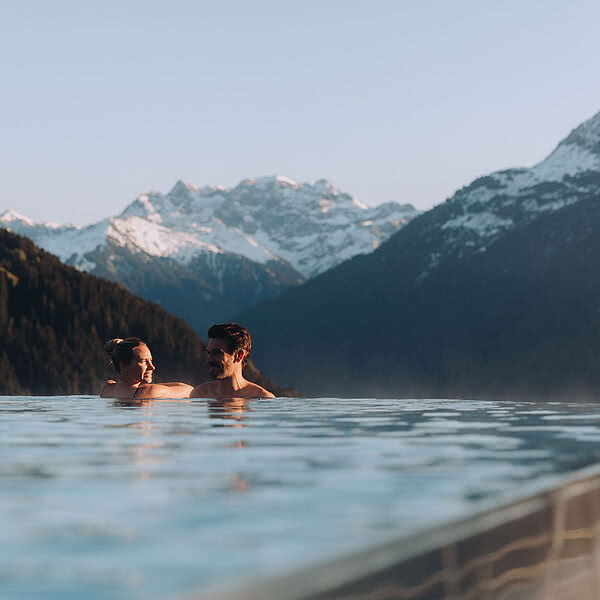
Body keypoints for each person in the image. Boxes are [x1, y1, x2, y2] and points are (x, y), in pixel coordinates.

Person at [190, 323, 275, 399]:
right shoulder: (200, 394)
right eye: (209, 353)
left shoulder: (261, 398)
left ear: (239, 356)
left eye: (217, 353)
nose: (209, 359)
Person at [101, 337, 193, 399]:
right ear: (123, 365)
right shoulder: (146, 392)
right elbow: (190, 390)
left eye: (151, 361)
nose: (152, 367)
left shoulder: (106, 388)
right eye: (143, 361)